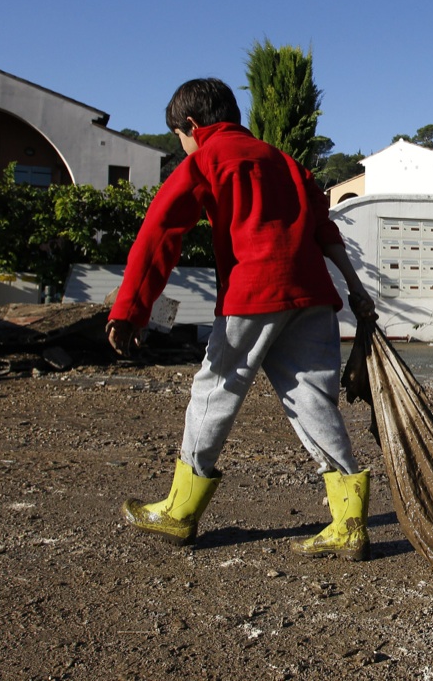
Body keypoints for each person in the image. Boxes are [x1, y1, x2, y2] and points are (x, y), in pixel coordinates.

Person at [107, 77, 377, 560]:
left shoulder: (209, 158)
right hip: (312, 295)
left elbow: (159, 232)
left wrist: (130, 310)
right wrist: (355, 289)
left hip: (253, 292)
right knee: (314, 400)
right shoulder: (284, 161)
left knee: (215, 391)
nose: (184, 146)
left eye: (179, 137)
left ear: (192, 125)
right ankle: (348, 520)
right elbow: (324, 229)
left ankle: (179, 511)